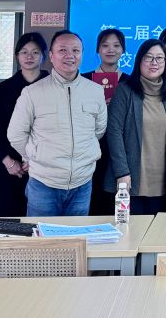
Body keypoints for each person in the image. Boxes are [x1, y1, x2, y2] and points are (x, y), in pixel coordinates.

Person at [8, 29, 107, 216]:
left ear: (82, 55)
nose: (70, 55)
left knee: (75, 234)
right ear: (52, 56)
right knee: (41, 233)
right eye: (62, 50)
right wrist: (34, 155)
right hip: (44, 182)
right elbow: (16, 134)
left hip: (82, 182)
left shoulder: (95, 91)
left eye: (76, 50)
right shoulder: (32, 92)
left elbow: (98, 130)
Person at [104, 38, 166, 215]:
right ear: (139, 60)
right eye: (149, 57)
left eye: (159, 58)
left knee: (158, 230)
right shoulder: (125, 90)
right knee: (131, 229)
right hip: (130, 179)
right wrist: (122, 172)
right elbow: (114, 132)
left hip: (161, 181)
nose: (154, 62)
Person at [0, 32, 49, 217]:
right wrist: (8, 161)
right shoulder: (5, 88)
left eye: (35, 52)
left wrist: (36, 161)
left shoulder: (53, 86)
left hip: (44, 166)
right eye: (24, 52)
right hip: (9, 165)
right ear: (17, 55)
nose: (29, 56)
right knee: (3, 221)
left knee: (41, 222)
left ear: (44, 56)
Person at [83, 27, 125, 217]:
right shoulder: (84, 79)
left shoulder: (130, 82)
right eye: (105, 45)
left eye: (116, 45)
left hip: (120, 149)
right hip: (89, 147)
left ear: (123, 50)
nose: (111, 50)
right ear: (98, 49)